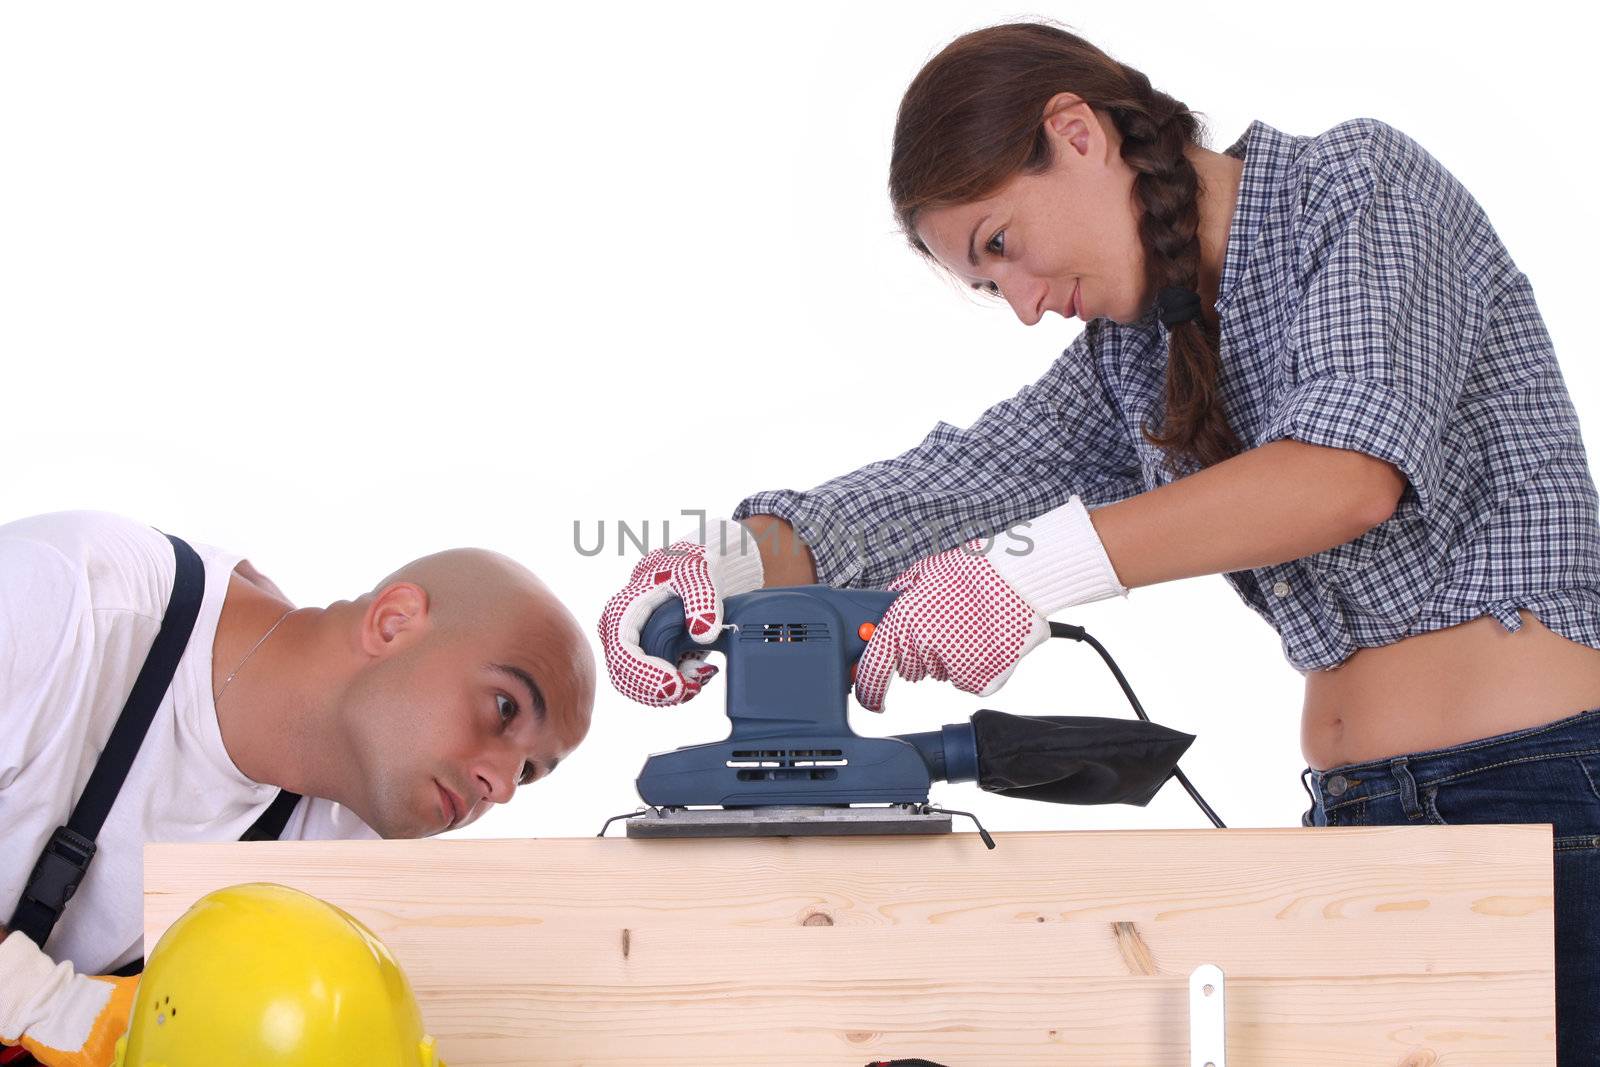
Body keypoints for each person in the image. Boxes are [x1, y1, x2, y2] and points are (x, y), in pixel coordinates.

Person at [597, 19, 1600, 1062]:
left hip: (1533, 797)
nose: (1025, 306)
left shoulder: (1356, 185)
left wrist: (1022, 579)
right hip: (1357, 819)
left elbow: (1339, 474)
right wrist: (721, 564)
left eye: (1000, 245)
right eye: (991, 288)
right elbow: (952, 483)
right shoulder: (1136, 351)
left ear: (1075, 132)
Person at [1, 509, 594, 1067]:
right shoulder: (63, 600)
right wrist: (50, 1004)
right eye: (503, 706)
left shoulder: (353, 872)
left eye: (528, 772)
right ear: (393, 623)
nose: (502, 787)